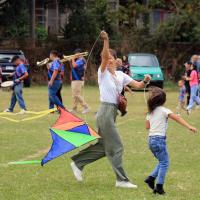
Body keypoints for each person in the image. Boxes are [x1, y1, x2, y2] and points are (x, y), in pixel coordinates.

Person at [70, 31, 151, 188]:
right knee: (117, 146)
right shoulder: (103, 73)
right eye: (106, 59)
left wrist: (146, 80)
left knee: (103, 147)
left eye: (111, 59)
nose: (108, 61)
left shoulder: (121, 75)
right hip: (105, 112)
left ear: (116, 60)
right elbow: (104, 56)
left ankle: (78, 163)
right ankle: (121, 180)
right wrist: (106, 40)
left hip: (111, 113)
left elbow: (139, 85)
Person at [145, 87, 197, 195]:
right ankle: (159, 187)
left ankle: (151, 178)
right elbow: (177, 118)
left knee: (162, 161)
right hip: (159, 140)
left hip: (151, 140)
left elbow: (147, 126)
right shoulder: (165, 111)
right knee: (165, 162)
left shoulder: (150, 112)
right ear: (163, 100)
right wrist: (189, 126)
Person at [70, 48, 89, 114]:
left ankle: (86, 107)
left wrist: (72, 59)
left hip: (78, 79)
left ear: (79, 53)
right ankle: (74, 109)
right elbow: (73, 67)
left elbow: (74, 65)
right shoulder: (78, 60)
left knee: (77, 94)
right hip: (75, 78)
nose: (75, 55)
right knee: (74, 95)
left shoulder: (81, 60)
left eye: (76, 54)